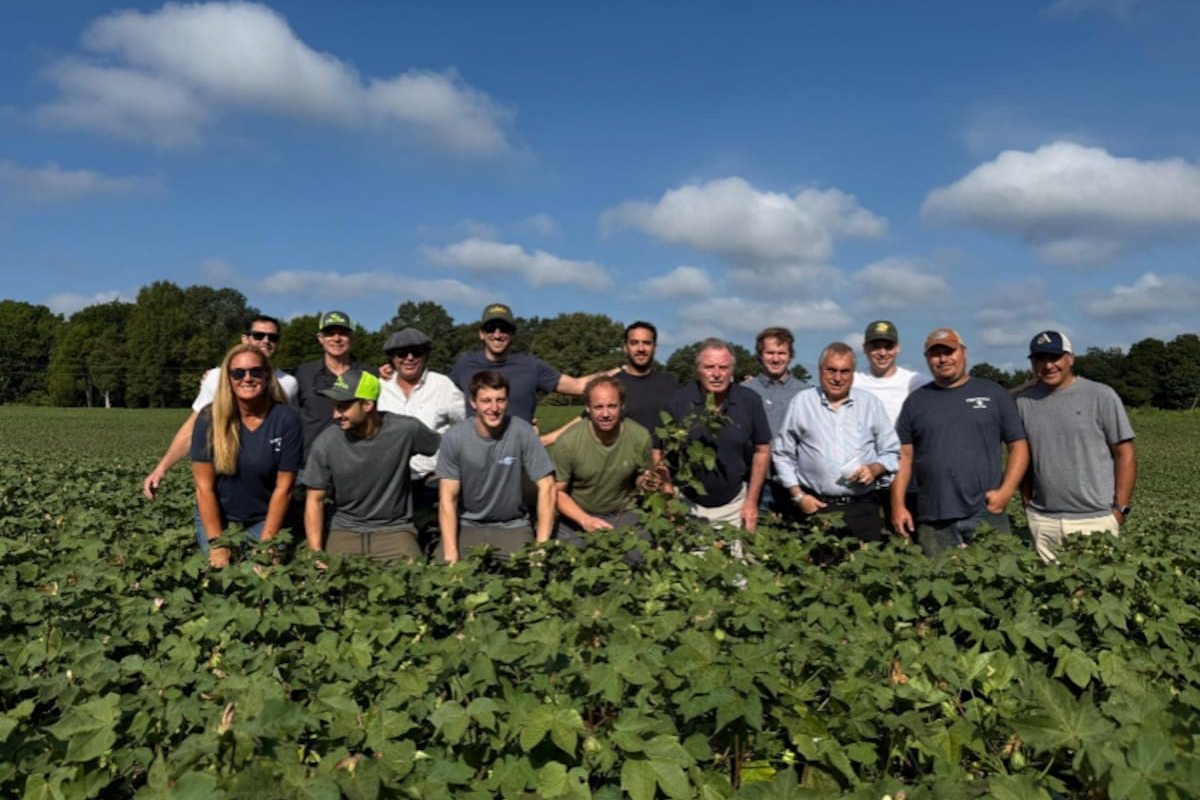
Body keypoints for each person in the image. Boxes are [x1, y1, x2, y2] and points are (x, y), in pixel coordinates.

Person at [891, 328, 1029, 557]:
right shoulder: (915, 402)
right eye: (936, 354)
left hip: (986, 512)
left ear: (963, 353)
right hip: (934, 517)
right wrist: (898, 504)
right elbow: (903, 456)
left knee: (998, 584)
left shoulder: (993, 393)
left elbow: (1018, 445)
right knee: (939, 584)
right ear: (927, 359)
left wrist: (1005, 492)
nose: (943, 359)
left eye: (950, 351)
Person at [143, 315, 298, 499]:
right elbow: (192, 427)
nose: (266, 341)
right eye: (259, 335)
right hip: (224, 479)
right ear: (245, 338)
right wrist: (162, 468)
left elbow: (291, 433)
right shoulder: (217, 378)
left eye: (272, 337)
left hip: (266, 486)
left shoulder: (289, 384)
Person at [1016, 331, 1136, 563]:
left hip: (1095, 519)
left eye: (1055, 358)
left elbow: (1125, 453)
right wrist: (1028, 505)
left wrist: (1120, 510)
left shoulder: (1101, 395)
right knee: (1051, 593)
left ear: (1070, 358)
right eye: (1040, 359)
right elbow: (1022, 458)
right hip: (1044, 521)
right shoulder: (1024, 403)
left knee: (1092, 595)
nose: (1048, 365)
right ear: (1032, 363)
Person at [303, 370, 441, 563]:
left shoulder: (405, 430)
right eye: (335, 406)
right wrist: (315, 552)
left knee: (414, 581)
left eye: (343, 407)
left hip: (395, 528)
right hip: (345, 528)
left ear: (368, 404)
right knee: (332, 585)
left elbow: (444, 448)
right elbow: (314, 499)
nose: (335, 414)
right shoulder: (327, 442)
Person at [772, 342, 899, 543]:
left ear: (853, 373)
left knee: (867, 569)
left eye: (845, 371)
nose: (838, 378)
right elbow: (782, 453)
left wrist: (875, 468)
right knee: (817, 572)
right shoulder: (802, 402)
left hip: (863, 508)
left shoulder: (870, 403)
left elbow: (892, 451)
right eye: (831, 370)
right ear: (820, 370)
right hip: (816, 506)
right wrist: (798, 495)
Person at [191, 343, 302, 567]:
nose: (247, 378)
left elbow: (284, 488)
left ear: (267, 375)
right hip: (219, 517)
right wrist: (217, 544)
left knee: (260, 574)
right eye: (238, 373)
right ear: (229, 379)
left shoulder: (286, 419)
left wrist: (268, 542)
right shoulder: (209, 418)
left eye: (256, 371)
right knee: (221, 579)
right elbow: (204, 488)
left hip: (265, 517)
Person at [436, 370, 556, 563]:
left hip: (512, 525)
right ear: (473, 402)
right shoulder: (455, 437)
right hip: (468, 524)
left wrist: (541, 545)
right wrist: (451, 553)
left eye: (500, 400)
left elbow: (547, 486)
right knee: (444, 575)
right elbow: (447, 499)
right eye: (486, 401)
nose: (494, 408)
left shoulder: (521, 431)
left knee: (531, 576)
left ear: (507, 401)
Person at [655, 338, 771, 532]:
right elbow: (658, 450)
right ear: (698, 369)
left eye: (723, 367)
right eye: (709, 367)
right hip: (687, 503)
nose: (717, 374)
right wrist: (668, 496)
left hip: (735, 504)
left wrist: (751, 502)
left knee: (736, 561)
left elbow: (763, 450)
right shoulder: (678, 401)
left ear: (732, 370)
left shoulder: (749, 401)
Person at [448, 303, 609, 433]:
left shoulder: (532, 366)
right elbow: (444, 401)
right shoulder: (465, 364)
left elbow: (578, 386)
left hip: (520, 453)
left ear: (513, 334)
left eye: (504, 329)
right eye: (491, 328)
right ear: (481, 334)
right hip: (475, 452)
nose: (497, 335)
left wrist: (622, 371)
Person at [552, 376, 658, 547]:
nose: (606, 414)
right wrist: (585, 520)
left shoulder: (639, 437)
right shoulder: (568, 442)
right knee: (566, 560)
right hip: (578, 513)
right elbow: (556, 492)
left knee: (640, 555)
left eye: (612, 406)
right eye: (598, 407)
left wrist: (646, 482)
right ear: (588, 408)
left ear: (622, 405)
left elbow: (640, 476)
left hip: (622, 512)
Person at [376, 327, 465, 516]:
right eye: (401, 353)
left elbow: (466, 425)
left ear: (425, 355)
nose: (409, 358)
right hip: (390, 481)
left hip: (434, 480)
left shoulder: (442, 385)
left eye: (416, 352)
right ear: (391, 358)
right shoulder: (379, 387)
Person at [294, 311, 376, 460]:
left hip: (358, 462)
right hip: (311, 463)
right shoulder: (303, 373)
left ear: (352, 337)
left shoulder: (370, 375)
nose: (336, 339)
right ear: (320, 338)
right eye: (330, 334)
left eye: (343, 333)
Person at [743, 327, 806, 516]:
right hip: (756, 483)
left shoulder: (805, 393)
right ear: (760, 355)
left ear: (790, 355)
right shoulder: (745, 391)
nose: (776, 359)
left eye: (781, 353)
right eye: (770, 353)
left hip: (795, 483)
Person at [854, 320, 926, 425]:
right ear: (864, 348)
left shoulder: (917, 382)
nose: (882, 353)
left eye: (888, 347)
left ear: (897, 348)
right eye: (875, 347)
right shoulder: (852, 382)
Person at [615, 321, 679, 433]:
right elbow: (587, 419)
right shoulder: (612, 385)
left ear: (655, 348)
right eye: (634, 343)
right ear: (625, 348)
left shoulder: (671, 385)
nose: (641, 349)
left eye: (647, 343)